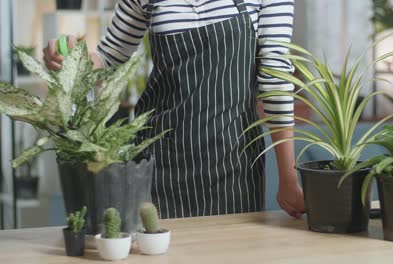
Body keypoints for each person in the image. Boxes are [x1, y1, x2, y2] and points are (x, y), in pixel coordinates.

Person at [43, 0, 304, 219]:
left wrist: (288, 178)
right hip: (158, 165)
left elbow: (275, 77)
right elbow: (110, 57)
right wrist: (71, 59)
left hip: (233, 165)